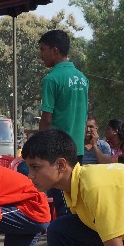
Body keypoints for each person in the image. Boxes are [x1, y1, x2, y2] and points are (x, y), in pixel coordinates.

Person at [37, 29, 88, 165]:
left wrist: (39, 144)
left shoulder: (51, 79)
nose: (40, 55)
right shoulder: (82, 78)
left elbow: (47, 120)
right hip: (77, 150)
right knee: (74, 186)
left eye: (43, 50)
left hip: (56, 151)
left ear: (54, 50)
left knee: (53, 187)